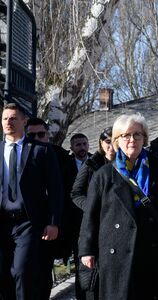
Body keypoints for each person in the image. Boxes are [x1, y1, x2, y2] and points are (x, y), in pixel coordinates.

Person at [79, 114, 158, 299]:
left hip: (156, 250)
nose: (132, 140)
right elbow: (91, 215)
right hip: (117, 253)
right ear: (117, 140)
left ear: (145, 138)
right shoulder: (104, 175)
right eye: (126, 135)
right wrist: (87, 250)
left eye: (137, 134)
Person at [0, 103, 64, 300]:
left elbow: (55, 189)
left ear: (24, 121)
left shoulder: (40, 150)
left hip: (28, 222)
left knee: (22, 272)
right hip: (2, 221)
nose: (8, 122)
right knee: (3, 275)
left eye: (13, 118)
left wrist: (53, 222)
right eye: (4, 119)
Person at [24, 117, 77, 300]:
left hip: (50, 225)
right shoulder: (17, 155)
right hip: (22, 224)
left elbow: (69, 193)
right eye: (31, 135)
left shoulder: (61, 156)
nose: (37, 138)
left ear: (47, 134)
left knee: (43, 272)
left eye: (41, 134)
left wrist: (57, 223)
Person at [71, 127, 115, 300]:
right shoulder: (91, 164)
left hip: (120, 223)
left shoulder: (128, 161)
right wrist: (92, 207)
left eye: (114, 141)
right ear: (100, 144)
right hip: (95, 223)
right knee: (91, 274)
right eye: (107, 142)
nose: (111, 146)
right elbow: (76, 193)